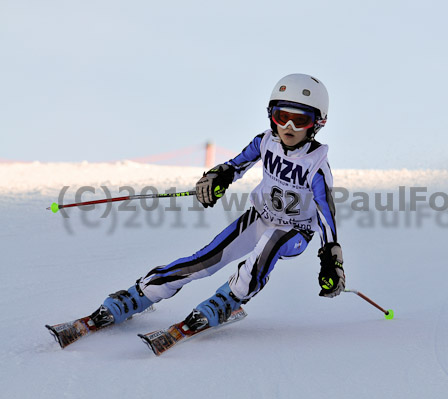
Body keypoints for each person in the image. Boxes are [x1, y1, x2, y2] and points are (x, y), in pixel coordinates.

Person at [88, 73, 345, 332]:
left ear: (317, 123)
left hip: (296, 231)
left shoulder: (316, 164)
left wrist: (331, 260)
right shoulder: (265, 142)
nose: (289, 126)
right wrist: (216, 179)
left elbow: (325, 213)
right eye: (282, 117)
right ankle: (142, 293)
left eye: (301, 120)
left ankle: (229, 298)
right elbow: (234, 166)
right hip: (259, 217)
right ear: (271, 115)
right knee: (207, 258)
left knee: (271, 241)